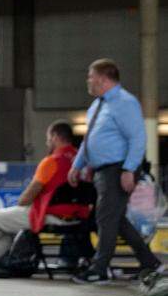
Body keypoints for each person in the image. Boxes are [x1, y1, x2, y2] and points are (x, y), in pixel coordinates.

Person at [68, 59, 163, 284]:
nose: (88, 81)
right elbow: (89, 139)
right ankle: (150, 263)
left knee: (105, 216)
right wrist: (77, 165)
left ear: (102, 78)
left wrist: (129, 169)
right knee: (116, 219)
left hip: (118, 169)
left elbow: (138, 138)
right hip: (103, 171)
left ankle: (99, 269)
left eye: (90, 77)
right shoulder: (97, 105)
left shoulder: (125, 102)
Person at [0, 121, 91, 266]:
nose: (47, 142)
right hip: (79, 217)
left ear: (55, 137)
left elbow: (26, 198)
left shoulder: (51, 162)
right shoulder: (83, 161)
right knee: (6, 229)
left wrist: (20, 204)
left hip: (51, 216)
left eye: (48, 138)